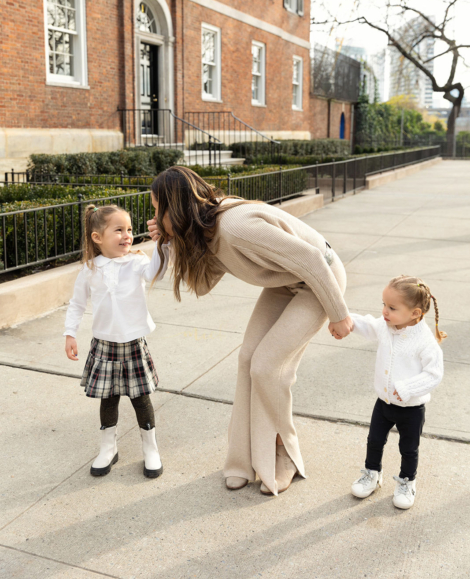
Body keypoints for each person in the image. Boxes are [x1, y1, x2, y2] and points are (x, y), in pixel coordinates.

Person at [147, 166, 352, 496]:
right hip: (286, 281)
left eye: (157, 208)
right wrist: (170, 242)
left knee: (268, 367)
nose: (154, 216)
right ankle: (242, 460)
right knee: (248, 360)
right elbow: (201, 285)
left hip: (319, 279)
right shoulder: (208, 231)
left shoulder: (236, 228)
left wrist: (338, 313)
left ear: (176, 206)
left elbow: (313, 259)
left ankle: (284, 453)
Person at [64, 204, 169, 478]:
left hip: (133, 342)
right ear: (97, 237)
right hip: (104, 344)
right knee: (108, 398)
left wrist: (161, 245)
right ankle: (108, 447)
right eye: (119, 230)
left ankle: (150, 448)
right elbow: (76, 304)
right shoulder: (90, 269)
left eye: (130, 230)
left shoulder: (137, 263)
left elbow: (156, 272)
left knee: (140, 397)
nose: (127, 235)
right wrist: (69, 333)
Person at [330, 276, 445, 509]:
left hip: (411, 408)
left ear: (414, 313)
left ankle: (406, 481)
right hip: (383, 403)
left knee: (408, 449)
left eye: (392, 307)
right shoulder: (385, 326)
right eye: (383, 304)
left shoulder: (425, 341)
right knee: (374, 441)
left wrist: (406, 389)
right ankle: (372, 473)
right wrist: (344, 320)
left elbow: (434, 374)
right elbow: (366, 324)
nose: (384, 311)